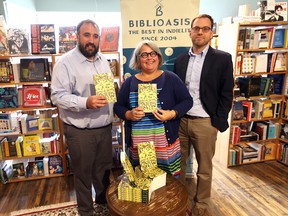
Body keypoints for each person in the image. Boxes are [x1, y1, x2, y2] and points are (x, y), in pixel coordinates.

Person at [51, 19, 113, 216]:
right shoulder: (65, 63)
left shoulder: (103, 60)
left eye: (95, 36)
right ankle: (86, 211)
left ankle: (103, 203)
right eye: (87, 35)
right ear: (77, 37)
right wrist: (85, 102)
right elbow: (57, 96)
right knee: (83, 174)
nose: (91, 40)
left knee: (103, 170)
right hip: (80, 131)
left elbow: (108, 93)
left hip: (104, 126)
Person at [173, 14, 234, 216]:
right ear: (190, 31)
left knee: (204, 170)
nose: (200, 32)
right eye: (196, 28)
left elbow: (227, 93)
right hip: (181, 121)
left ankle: (201, 207)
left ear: (211, 33)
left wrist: (217, 122)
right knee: (177, 167)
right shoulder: (180, 60)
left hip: (206, 123)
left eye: (205, 29)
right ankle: (179, 203)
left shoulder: (223, 59)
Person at [114, 40, 193, 176]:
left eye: (153, 53)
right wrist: (128, 114)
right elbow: (118, 106)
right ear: (138, 59)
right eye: (144, 54)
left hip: (165, 145)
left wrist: (172, 113)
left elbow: (187, 101)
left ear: (158, 57)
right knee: (143, 182)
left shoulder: (171, 78)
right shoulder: (129, 82)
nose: (149, 57)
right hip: (139, 147)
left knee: (168, 184)